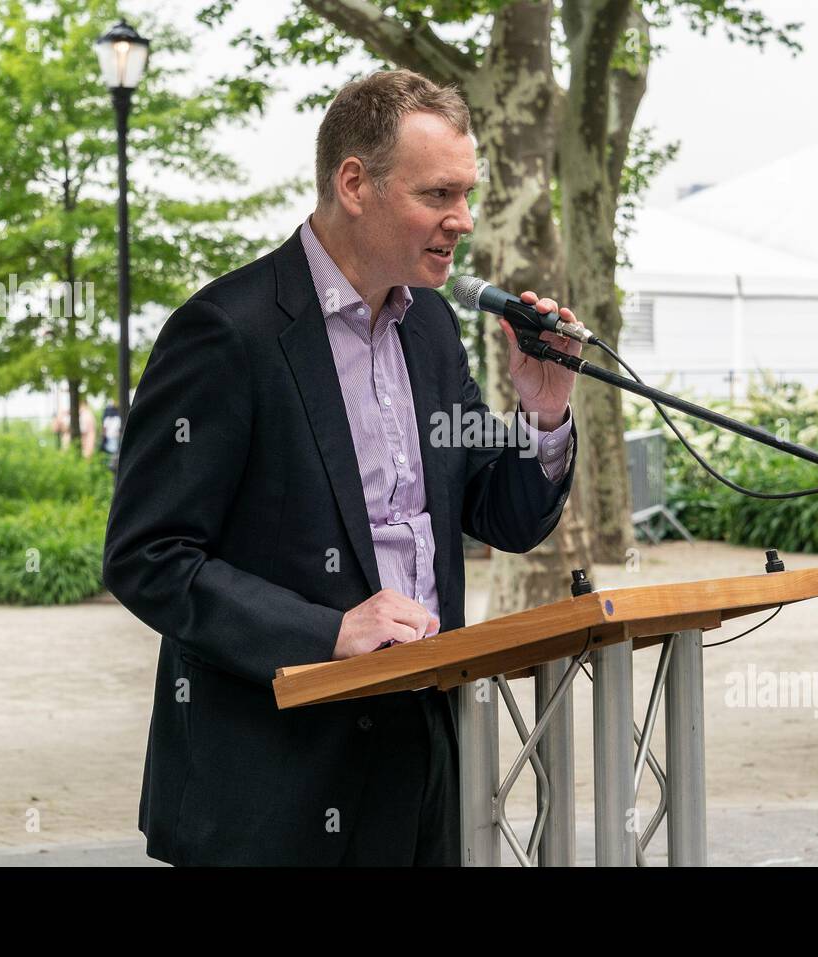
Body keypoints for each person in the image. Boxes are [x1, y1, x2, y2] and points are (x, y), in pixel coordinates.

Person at [101, 68, 581, 866]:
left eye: (467, 194)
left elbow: (500, 511)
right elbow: (147, 557)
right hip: (274, 784)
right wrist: (329, 631)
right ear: (354, 183)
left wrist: (544, 413)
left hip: (425, 755)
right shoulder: (224, 331)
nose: (461, 220)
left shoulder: (429, 324)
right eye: (438, 194)